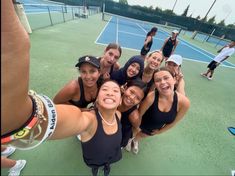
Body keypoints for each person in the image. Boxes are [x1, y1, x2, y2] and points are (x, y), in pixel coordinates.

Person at [2, 0, 121, 154]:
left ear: (99, 72)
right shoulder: (73, 87)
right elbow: (55, 103)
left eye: (92, 71)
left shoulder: (103, 81)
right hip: (75, 112)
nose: (88, 76)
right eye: (83, 71)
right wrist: (82, 110)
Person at [129, 67, 190, 154]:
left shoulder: (184, 103)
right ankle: (130, 140)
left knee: (141, 136)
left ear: (174, 79)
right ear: (155, 85)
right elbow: (140, 113)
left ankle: (135, 141)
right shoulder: (151, 97)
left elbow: (174, 122)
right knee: (133, 133)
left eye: (166, 78)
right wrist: (137, 126)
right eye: (158, 80)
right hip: (140, 123)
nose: (163, 82)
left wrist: (160, 131)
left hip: (152, 129)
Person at [117, 79, 147, 149]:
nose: (132, 97)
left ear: (139, 102)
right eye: (131, 92)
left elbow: (136, 128)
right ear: (125, 88)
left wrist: (129, 138)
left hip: (120, 137)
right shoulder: (115, 95)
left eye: (137, 98)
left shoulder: (134, 117)